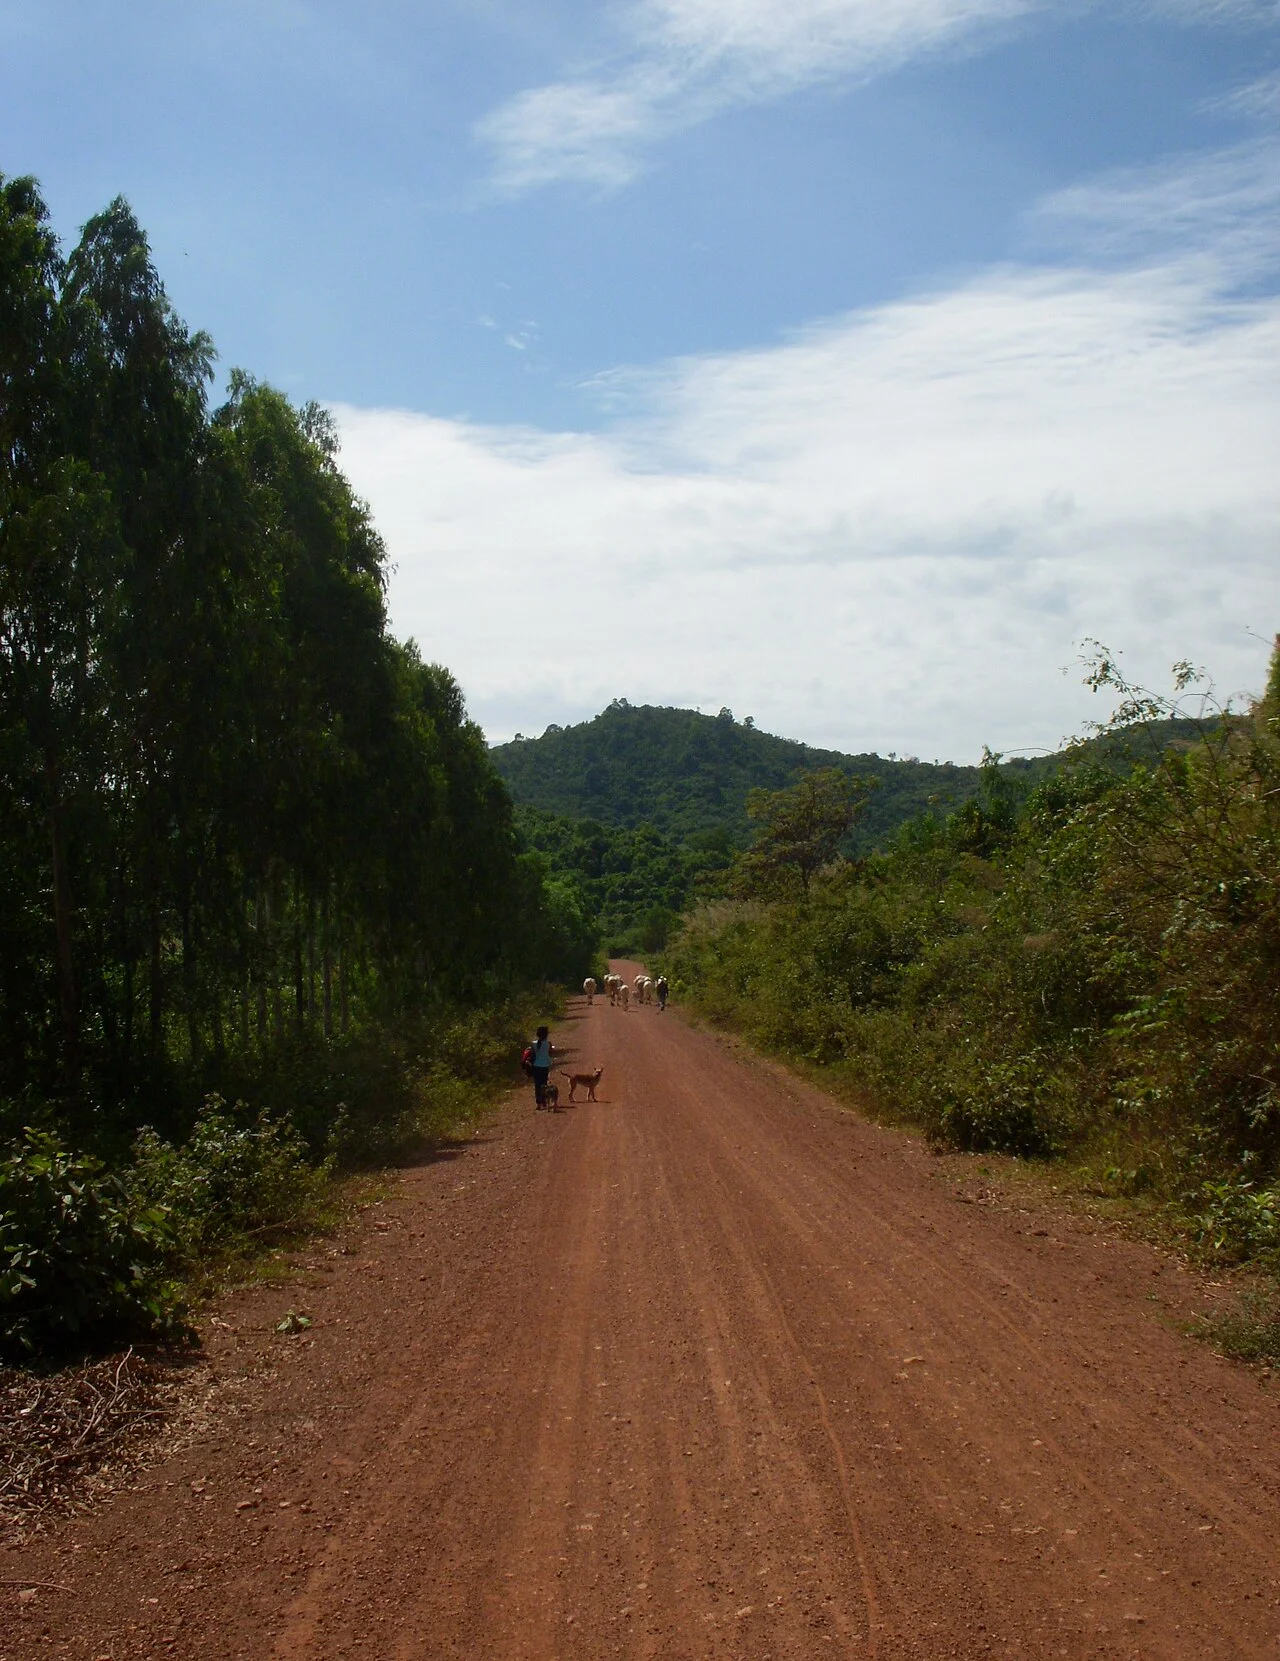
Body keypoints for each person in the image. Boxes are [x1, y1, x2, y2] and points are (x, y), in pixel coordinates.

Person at [530, 1025, 555, 1108]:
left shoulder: (533, 1044)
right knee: (544, 1085)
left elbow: (532, 1054)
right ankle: (544, 1101)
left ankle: (538, 1103)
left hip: (536, 1066)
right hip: (545, 1065)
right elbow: (550, 1053)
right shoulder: (548, 1044)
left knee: (537, 1085)